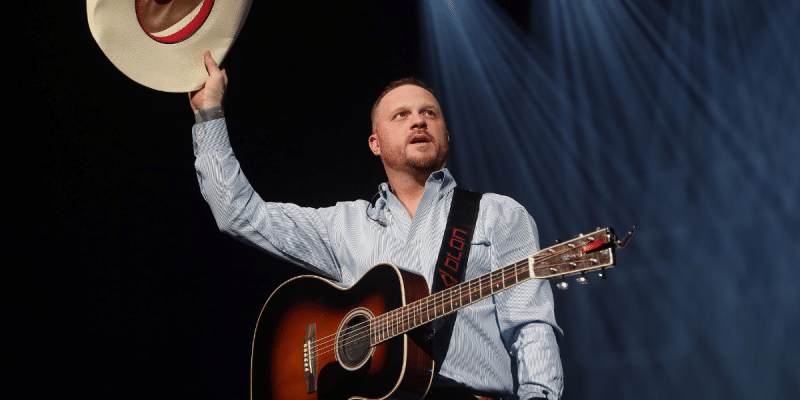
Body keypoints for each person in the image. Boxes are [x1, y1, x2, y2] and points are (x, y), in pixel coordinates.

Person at [189, 51, 563, 400]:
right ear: (375, 143)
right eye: (401, 115)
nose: (418, 120)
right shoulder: (344, 225)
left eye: (429, 113)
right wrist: (209, 112)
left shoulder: (499, 214)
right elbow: (238, 213)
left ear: (446, 136)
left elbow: (531, 326)